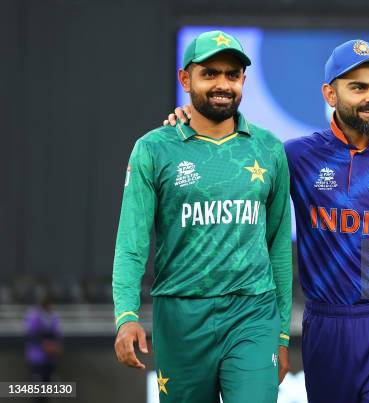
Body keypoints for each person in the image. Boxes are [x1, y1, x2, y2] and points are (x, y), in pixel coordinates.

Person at [167, 39, 369, 403]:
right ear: (330, 94)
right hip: (325, 330)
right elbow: (232, 154)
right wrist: (189, 122)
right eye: (358, 87)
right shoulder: (295, 156)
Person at [113, 30, 292, 403]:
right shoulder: (153, 149)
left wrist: (282, 336)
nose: (222, 84)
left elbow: (278, 245)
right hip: (180, 316)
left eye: (232, 74)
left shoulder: (269, 148)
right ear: (185, 79)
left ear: (243, 79)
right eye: (209, 73)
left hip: (252, 312)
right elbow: (132, 241)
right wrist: (126, 314)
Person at [24, 293, 63, 383]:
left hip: (50, 353)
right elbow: (30, 331)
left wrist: (57, 345)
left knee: (48, 378)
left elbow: (57, 333)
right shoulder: (33, 315)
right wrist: (43, 340)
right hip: (37, 353)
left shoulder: (54, 316)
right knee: (37, 378)